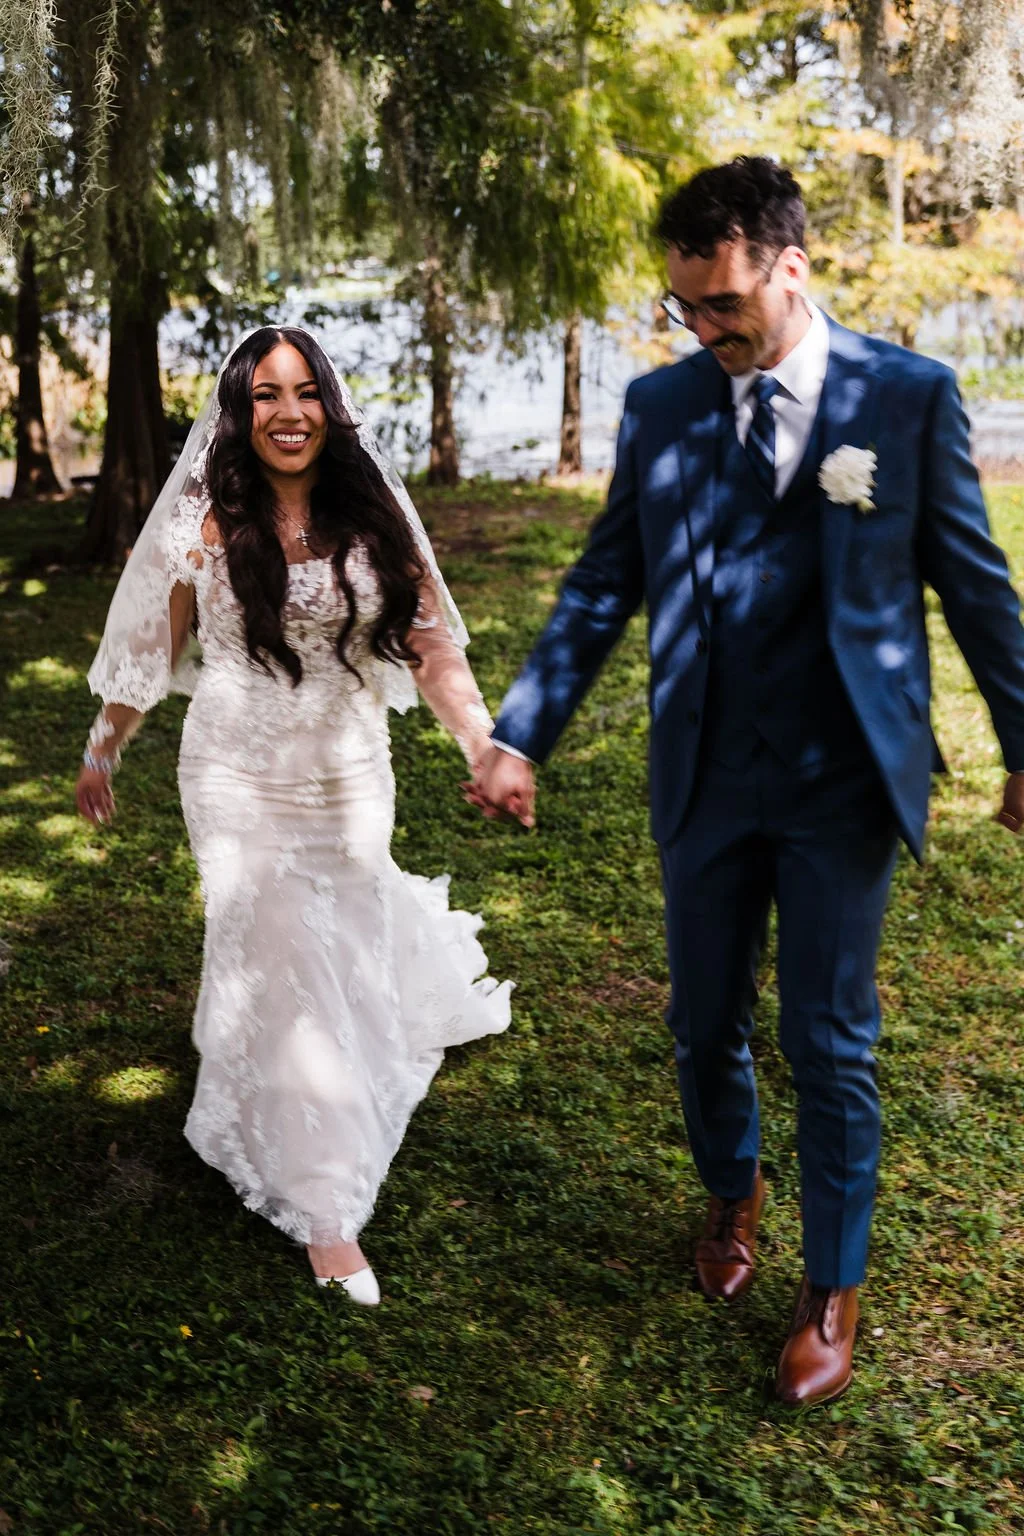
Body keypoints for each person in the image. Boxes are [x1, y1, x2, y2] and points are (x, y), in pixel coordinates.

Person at [470, 157, 1024, 1403]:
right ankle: (731, 1193)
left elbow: (978, 592)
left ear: (790, 265)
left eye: (723, 304)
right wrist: (520, 734)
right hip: (707, 770)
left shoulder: (908, 398)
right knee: (701, 1019)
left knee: (826, 1039)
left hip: (839, 779)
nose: (704, 329)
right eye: (685, 307)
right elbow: (604, 581)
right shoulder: (661, 410)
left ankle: (831, 1284)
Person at [76, 326, 511, 1305]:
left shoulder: (371, 513)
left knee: (342, 943)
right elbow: (149, 656)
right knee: (275, 939)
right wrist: (102, 751)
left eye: (305, 392)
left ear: (330, 404)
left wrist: (481, 746)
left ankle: (341, 1070)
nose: (288, 413)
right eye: (266, 395)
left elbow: (432, 649)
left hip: (352, 767)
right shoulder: (201, 521)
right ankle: (325, 1211)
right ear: (239, 411)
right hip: (234, 774)